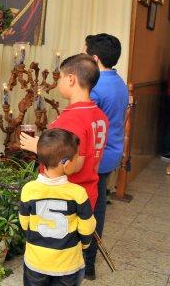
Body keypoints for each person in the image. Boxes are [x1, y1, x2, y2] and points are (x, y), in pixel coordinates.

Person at [20, 53, 109, 210]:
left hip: (66, 198)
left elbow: (74, 165)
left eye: (60, 77)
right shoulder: (99, 114)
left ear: (71, 79)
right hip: (88, 192)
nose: (59, 81)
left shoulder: (72, 119)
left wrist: (39, 146)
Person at [20, 128, 96, 285]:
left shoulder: (29, 189)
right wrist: (85, 244)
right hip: (68, 265)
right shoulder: (78, 193)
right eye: (76, 158)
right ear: (66, 164)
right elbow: (87, 228)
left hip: (36, 262)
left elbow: (24, 223)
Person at [82, 34, 129, 280]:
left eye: (85, 52)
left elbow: (87, 125)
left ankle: (87, 261)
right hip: (112, 153)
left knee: (90, 207)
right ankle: (87, 258)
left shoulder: (97, 87)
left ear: (95, 58)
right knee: (97, 203)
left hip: (96, 157)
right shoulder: (119, 82)